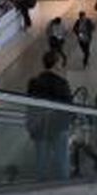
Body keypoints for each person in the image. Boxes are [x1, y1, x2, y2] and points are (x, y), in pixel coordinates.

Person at [25, 51, 73, 181]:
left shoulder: (34, 82)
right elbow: (69, 107)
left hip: (39, 128)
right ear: (57, 64)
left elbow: (31, 106)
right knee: (62, 161)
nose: (62, 65)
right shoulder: (61, 83)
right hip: (59, 128)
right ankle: (63, 189)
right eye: (61, 62)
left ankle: (41, 191)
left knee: (41, 162)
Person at [70, 89, 97, 177]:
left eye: (83, 95)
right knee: (78, 149)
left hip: (84, 132)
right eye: (79, 95)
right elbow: (72, 119)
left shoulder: (86, 108)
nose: (80, 97)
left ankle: (78, 169)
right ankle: (77, 170)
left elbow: (91, 121)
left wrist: (87, 128)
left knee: (82, 149)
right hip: (77, 132)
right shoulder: (74, 107)